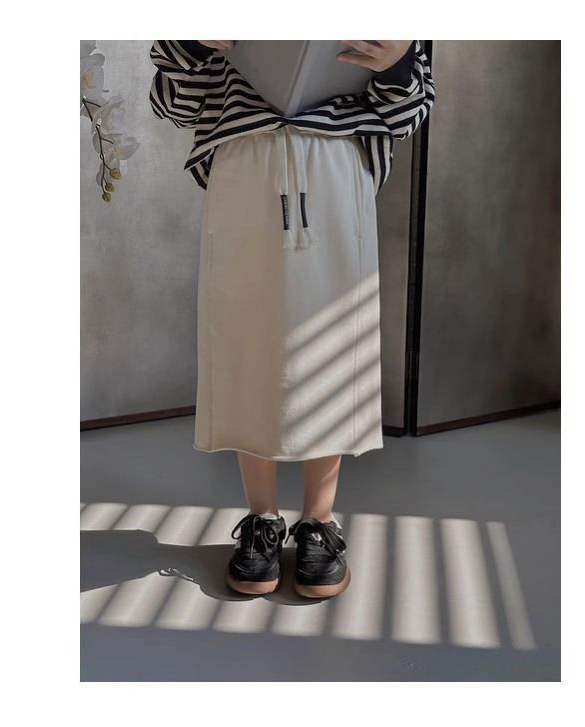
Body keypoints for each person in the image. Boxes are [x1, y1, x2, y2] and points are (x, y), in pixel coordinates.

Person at [149, 39, 435, 598]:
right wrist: (194, 40)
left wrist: (396, 60)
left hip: (336, 160)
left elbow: (410, 110)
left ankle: (319, 522)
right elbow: (169, 101)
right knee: (247, 334)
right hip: (243, 157)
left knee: (335, 338)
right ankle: (262, 519)